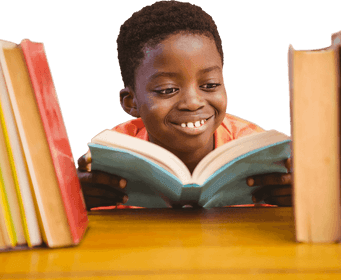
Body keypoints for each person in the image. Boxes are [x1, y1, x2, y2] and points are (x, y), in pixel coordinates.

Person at [77, 0, 292, 209]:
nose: (192, 103)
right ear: (131, 101)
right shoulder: (112, 155)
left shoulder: (254, 146)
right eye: (167, 90)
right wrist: (75, 199)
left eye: (210, 84)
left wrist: (297, 196)